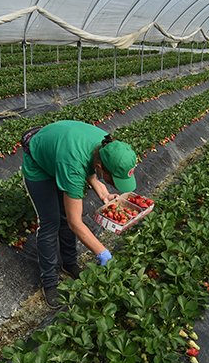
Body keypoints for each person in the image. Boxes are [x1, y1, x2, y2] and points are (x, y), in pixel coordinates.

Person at [21, 120, 138, 309]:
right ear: (101, 167)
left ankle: (69, 263)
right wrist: (103, 252)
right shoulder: (73, 167)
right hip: (40, 165)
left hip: (62, 152)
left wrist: (104, 193)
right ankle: (49, 282)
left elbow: (89, 165)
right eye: (113, 179)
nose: (114, 184)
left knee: (65, 217)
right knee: (51, 221)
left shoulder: (106, 144)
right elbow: (77, 223)